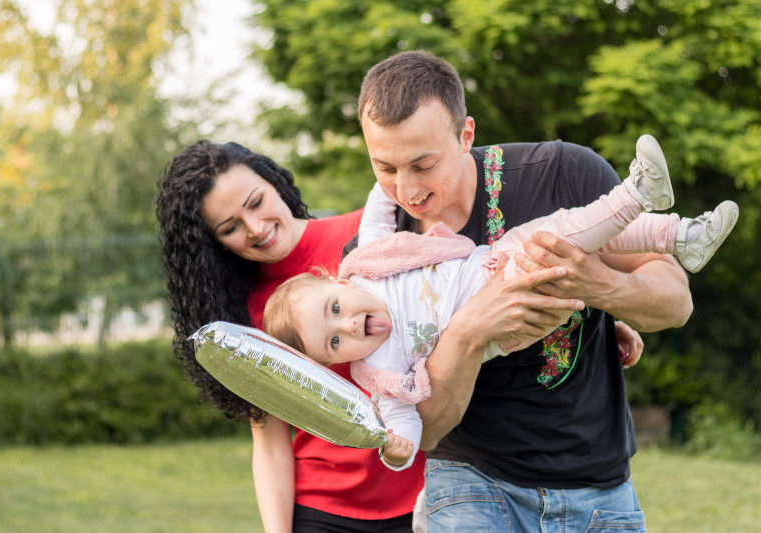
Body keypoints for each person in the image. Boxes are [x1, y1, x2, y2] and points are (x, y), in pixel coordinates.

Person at [352, 50, 696, 532]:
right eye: (384, 168)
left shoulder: (563, 173)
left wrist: (601, 287)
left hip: (599, 485)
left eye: (423, 164)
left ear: (465, 134)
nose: (406, 189)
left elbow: (676, 301)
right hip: (469, 479)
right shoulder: (376, 256)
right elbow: (424, 429)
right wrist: (471, 331)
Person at [262, 134, 737, 471]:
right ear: (335, 361)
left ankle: (679, 234)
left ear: (336, 280)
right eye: (334, 342)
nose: (349, 328)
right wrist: (397, 448)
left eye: (336, 311)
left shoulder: (370, 262)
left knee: (569, 231)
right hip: (507, 317)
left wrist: (388, 174)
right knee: (560, 235)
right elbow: (405, 420)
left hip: (495, 263)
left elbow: (379, 209)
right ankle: (638, 197)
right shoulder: (380, 372)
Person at [155, 140, 425, 532]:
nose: (256, 228)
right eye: (230, 228)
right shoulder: (242, 315)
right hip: (323, 511)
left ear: (274, 182)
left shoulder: (370, 232)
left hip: (426, 495)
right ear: (214, 244)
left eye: (255, 202)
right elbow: (270, 443)